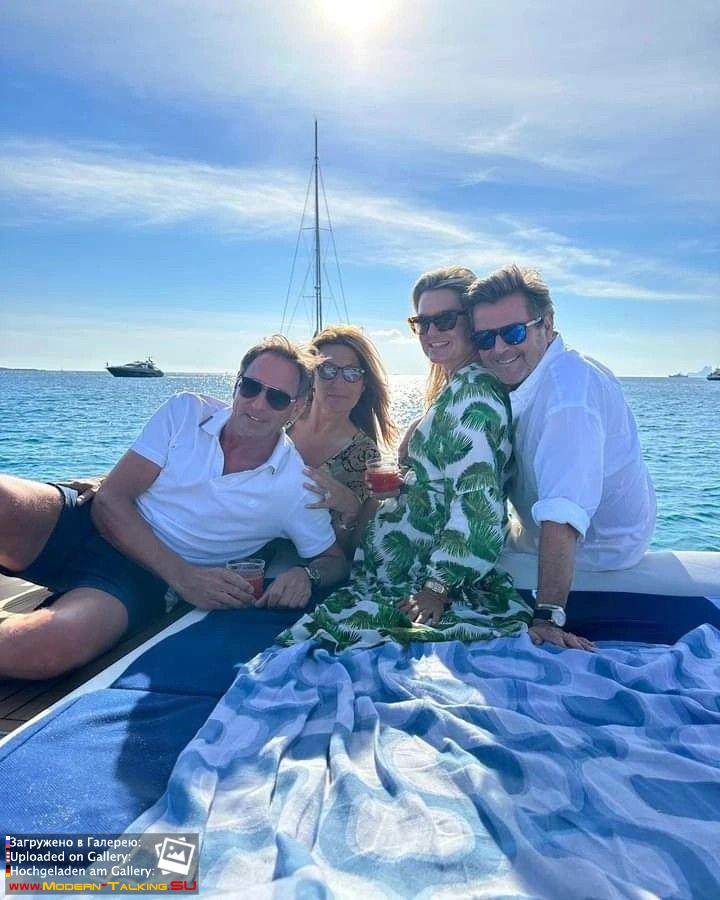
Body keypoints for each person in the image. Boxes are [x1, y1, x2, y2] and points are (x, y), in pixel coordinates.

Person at [0, 336, 349, 680]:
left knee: (45, 647)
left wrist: (307, 575)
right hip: (88, 519)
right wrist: (183, 576)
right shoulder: (186, 412)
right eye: (251, 387)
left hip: (139, 579)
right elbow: (111, 498)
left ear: (297, 408)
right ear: (236, 384)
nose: (258, 404)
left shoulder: (294, 487)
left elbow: (334, 560)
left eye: (277, 397)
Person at [277, 267, 533, 650]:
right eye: (422, 322)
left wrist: (437, 587)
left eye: (444, 320)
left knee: (315, 647)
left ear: (471, 320)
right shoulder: (455, 391)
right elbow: (446, 484)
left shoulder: (473, 398)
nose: (431, 333)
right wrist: (408, 483)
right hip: (393, 570)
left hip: (412, 580)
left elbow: (478, 504)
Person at [465, 264, 656, 648]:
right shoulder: (530, 380)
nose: (499, 349)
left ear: (546, 324)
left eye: (513, 333)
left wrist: (547, 617)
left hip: (596, 554)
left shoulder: (569, 394)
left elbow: (563, 512)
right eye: (485, 338)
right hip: (549, 537)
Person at [266, 325, 396, 577]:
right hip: (242, 546)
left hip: (299, 568)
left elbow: (346, 554)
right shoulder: (281, 417)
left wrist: (350, 509)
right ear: (311, 376)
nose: (338, 382)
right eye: (327, 370)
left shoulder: (363, 454)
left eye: (352, 373)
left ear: (364, 384)